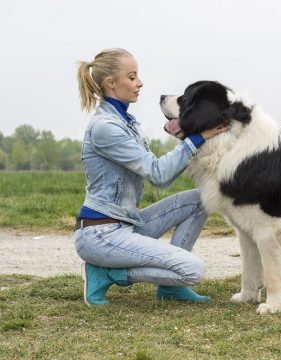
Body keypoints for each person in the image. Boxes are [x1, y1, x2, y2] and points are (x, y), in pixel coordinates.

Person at [75, 48, 226, 305]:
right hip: (101, 235)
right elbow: (157, 173)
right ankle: (106, 272)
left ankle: (170, 289)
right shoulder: (106, 128)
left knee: (200, 200)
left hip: (127, 223)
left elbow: (162, 179)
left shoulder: (126, 121)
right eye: (132, 77)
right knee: (192, 270)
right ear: (111, 83)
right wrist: (197, 138)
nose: (140, 83)